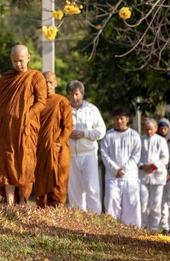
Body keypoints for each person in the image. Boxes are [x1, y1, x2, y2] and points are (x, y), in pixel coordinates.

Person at [0, 45, 47, 205]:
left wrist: (25, 116)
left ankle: (23, 201)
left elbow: (41, 102)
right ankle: (10, 203)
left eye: (21, 61)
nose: (18, 64)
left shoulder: (36, 77)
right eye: (15, 61)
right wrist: (8, 118)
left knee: (25, 163)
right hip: (8, 130)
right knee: (7, 161)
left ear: (28, 58)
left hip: (26, 130)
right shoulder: (5, 79)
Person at [34, 72, 73, 208]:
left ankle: (57, 209)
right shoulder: (37, 103)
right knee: (41, 179)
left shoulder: (62, 101)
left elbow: (68, 126)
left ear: (56, 83)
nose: (48, 85)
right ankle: (42, 209)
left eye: (50, 82)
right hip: (40, 149)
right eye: (45, 82)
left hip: (58, 149)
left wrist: (59, 142)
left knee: (59, 180)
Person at [66, 80, 106, 214]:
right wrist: (68, 134)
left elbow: (101, 131)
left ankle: (96, 218)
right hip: (70, 155)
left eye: (76, 94)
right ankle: (78, 220)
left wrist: (85, 133)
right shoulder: (64, 109)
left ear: (82, 94)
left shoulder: (91, 109)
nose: (74, 98)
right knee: (74, 190)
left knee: (92, 188)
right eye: (71, 95)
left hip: (89, 154)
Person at [100, 107, 142, 227]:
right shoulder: (108, 136)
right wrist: (115, 169)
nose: (119, 121)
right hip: (112, 177)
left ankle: (133, 230)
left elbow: (136, 155)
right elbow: (104, 154)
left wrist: (124, 169)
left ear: (127, 119)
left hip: (130, 177)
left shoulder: (134, 135)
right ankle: (112, 229)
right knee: (111, 202)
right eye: (116, 119)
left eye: (121, 118)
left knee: (131, 205)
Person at [139, 118, 169, 231]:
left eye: (151, 129)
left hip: (157, 175)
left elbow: (165, 158)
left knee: (155, 204)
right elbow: (135, 156)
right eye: (146, 129)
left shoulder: (161, 141)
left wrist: (154, 166)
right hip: (143, 174)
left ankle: (154, 228)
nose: (149, 132)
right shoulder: (140, 139)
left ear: (156, 129)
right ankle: (143, 226)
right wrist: (142, 166)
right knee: (143, 202)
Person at [158, 118, 170, 234]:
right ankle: (164, 227)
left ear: (169, 129)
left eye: (165, 128)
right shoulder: (157, 141)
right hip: (159, 177)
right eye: (161, 128)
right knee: (162, 203)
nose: (163, 130)